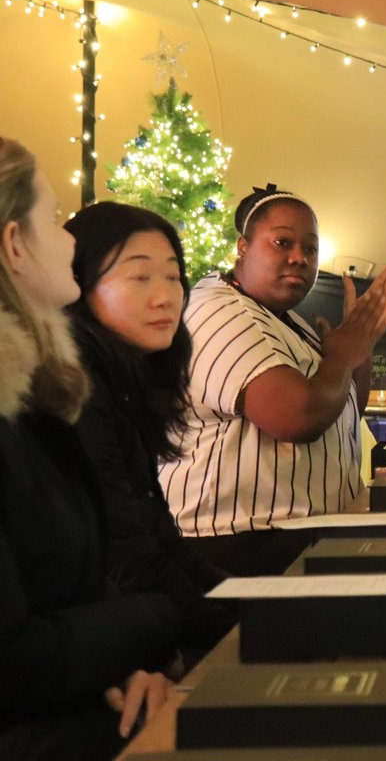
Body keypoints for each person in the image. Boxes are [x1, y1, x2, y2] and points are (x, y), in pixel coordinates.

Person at [0, 137, 179, 759]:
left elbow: (62, 595)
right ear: (14, 245)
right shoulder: (32, 404)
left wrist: (119, 668)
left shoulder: (42, 388)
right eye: (53, 219)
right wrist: (156, 623)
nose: (70, 242)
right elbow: (12, 657)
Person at [158, 184, 386, 576]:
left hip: (291, 537)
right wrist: (343, 353)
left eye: (310, 249)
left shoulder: (284, 319)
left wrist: (358, 350)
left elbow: (341, 408)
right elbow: (297, 418)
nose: (299, 258)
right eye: (282, 242)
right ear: (243, 247)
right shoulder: (218, 312)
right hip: (237, 549)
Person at [65, 202, 235, 669]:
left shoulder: (126, 381)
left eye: (173, 276)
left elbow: (159, 536)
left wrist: (246, 601)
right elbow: (126, 555)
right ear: (79, 285)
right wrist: (234, 629)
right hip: (96, 637)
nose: (165, 297)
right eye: (139, 278)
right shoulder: (79, 387)